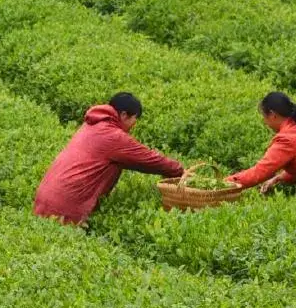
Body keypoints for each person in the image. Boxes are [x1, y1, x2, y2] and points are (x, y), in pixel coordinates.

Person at [33, 92, 184, 227]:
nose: (134, 125)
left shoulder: (91, 125)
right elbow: (150, 159)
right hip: (64, 210)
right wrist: (180, 170)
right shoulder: (113, 136)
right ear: (124, 115)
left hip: (44, 203)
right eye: (134, 119)